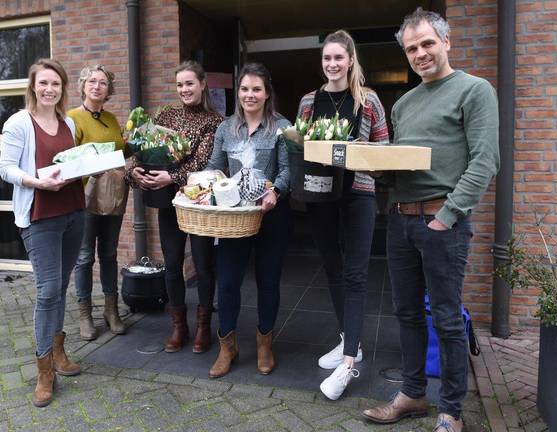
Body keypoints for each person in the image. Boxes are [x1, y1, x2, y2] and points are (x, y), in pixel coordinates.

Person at [361, 9, 499, 432]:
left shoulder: (474, 91)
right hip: (400, 221)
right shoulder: (403, 103)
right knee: (405, 313)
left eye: (427, 44)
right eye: (411, 48)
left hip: (443, 223)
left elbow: (485, 161)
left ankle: (451, 412)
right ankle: (414, 394)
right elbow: (401, 166)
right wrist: (370, 166)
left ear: (446, 42)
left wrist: (448, 215)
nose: (420, 53)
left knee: (446, 317)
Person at [296, 30, 389, 400]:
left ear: (351, 60)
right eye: (326, 58)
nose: (332, 64)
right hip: (320, 196)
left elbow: (383, 151)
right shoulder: (308, 100)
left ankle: (349, 363)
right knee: (332, 269)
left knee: (354, 275)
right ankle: (349, 339)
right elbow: (299, 145)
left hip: (358, 196)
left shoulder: (368, 101)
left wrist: (364, 150)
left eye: (338, 58)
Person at [0, 58, 86, 407]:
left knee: (61, 285)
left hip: (73, 214)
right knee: (48, 290)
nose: (50, 89)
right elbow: (5, 168)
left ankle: (60, 351)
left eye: (56, 84)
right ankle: (44, 369)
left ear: (63, 88)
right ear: (33, 86)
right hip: (40, 217)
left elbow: (73, 164)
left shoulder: (67, 121)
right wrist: (37, 182)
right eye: (44, 83)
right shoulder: (18, 123)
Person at [128, 61, 223, 353]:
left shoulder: (214, 121)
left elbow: (202, 162)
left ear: (202, 84)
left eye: (189, 83)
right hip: (167, 202)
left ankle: (204, 326)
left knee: (204, 266)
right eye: (180, 84)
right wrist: (134, 169)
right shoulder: (165, 114)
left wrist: (173, 176)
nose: (184, 89)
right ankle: (178, 325)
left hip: (197, 204)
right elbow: (141, 146)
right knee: (171, 266)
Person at [206, 62, 291, 378]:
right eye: (244, 89)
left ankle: (264, 344)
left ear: (267, 93)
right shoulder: (225, 128)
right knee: (227, 283)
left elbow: (287, 169)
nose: (250, 95)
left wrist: (276, 191)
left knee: (268, 282)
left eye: (256, 89)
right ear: (238, 92)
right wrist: (205, 185)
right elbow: (215, 167)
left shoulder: (282, 127)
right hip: (234, 218)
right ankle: (227, 346)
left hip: (272, 215)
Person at [69, 65, 129, 340]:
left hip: (112, 195)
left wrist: (136, 142)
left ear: (108, 90)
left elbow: (120, 151)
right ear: (83, 86)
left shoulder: (112, 119)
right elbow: (69, 159)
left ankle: (111, 310)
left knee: (109, 254)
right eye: (92, 81)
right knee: (83, 258)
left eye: (103, 83)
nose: (97, 86)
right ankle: (85, 315)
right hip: (84, 197)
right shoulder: (72, 119)